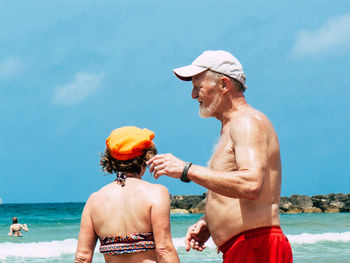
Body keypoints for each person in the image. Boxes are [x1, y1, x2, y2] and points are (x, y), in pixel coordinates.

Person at [147, 50, 293, 263]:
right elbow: (238, 188)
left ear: (224, 85)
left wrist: (186, 170)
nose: (193, 95)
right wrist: (210, 222)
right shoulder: (231, 126)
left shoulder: (247, 122)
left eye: (198, 87)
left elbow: (251, 184)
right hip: (244, 245)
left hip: (257, 246)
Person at [75, 126, 179, 263]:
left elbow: (82, 258)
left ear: (111, 159)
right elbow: (164, 250)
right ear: (146, 158)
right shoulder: (156, 193)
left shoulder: (94, 200)